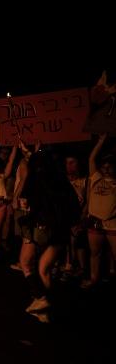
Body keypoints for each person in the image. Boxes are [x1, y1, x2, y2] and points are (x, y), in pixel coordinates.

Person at [19, 145, 81, 321]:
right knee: (43, 269)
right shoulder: (61, 180)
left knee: (26, 262)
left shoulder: (38, 179)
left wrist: (27, 205)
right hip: (60, 232)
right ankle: (44, 310)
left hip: (42, 227)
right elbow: (74, 207)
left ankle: (41, 299)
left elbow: (26, 200)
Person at [81, 134, 116, 289]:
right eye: (104, 166)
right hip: (95, 222)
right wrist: (100, 142)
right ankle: (94, 279)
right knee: (95, 253)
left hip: (113, 223)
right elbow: (91, 159)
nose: (106, 168)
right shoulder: (96, 178)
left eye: (110, 166)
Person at [64, 154, 88, 278]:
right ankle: (69, 265)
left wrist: (82, 217)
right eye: (67, 162)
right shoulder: (62, 180)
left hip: (79, 217)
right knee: (68, 242)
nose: (69, 165)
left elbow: (88, 200)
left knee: (77, 242)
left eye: (72, 162)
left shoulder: (84, 180)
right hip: (65, 216)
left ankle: (78, 267)